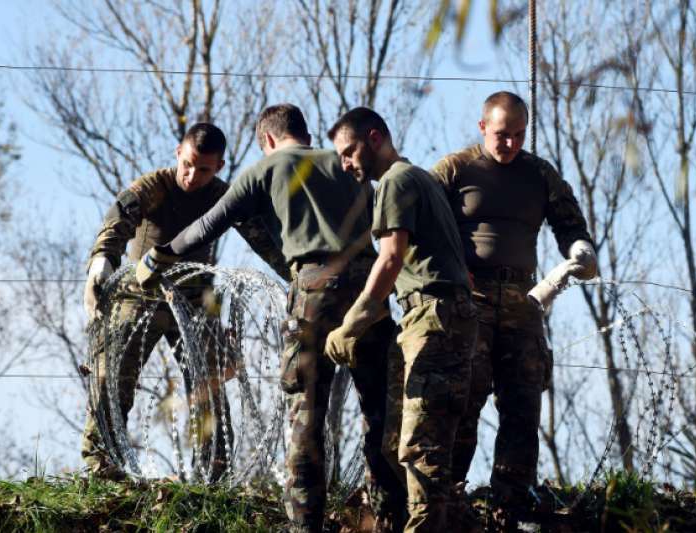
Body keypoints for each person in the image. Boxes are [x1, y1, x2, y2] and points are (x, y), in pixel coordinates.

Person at [136, 104, 406, 533]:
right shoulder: (345, 163)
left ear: (267, 140)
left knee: (306, 414)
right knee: (380, 409)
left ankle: (305, 524)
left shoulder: (268, 167)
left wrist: (160, 254)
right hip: (369, 289)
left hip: (315, 290)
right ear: (306, 133)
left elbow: (210, 222)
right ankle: (393, 517)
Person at [81, 122, 290, 482]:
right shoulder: (153, 187)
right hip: (141, 295)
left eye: (204, 169)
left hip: (195, 299)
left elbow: (264, 240)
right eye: (188, 164)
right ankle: (101, 467)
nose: (192, 175)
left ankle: (214, 473)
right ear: (178, 152)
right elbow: (118, 221)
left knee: (208, 387)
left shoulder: (225, 196)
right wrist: (102, 261)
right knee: (113, 380)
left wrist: (297, 276)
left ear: (219, 167)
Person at [429, 91, 596, 528]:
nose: (510, 144)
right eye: (502, 135)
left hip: (522, 302)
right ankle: (451, 498)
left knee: (523, 402)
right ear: (483, 127)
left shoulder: (539, 174)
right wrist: (447, 273)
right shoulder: (454, 170)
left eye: (519, 135)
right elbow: (418, 221)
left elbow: (569, 222)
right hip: (470, 302)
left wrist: (580, 248)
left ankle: (511, 505)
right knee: (464, 399)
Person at [326, 107, 477, 533]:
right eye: (340, 157)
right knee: (400, 442)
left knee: (421, 448)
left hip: (435, 316)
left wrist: (352, 322)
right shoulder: (419, 178)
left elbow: (391, 258)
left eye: (350, 151)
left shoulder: (395, 181)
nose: (346, 163)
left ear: (374, 139)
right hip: (428, 317)